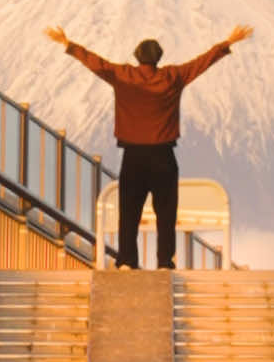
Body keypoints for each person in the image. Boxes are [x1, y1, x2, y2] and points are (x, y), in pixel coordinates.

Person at [45, 23, 253, 269]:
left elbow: (97, 64)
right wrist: (226, 43)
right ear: (159, 58)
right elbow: (201, 63)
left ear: (137, 57)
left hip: (132, 156)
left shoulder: (123, 75)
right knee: (166, 213)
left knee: (129, 212)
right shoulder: (173, 77)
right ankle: (164, 261)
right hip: (164, 156)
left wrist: (69, 44)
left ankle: (126, 261)